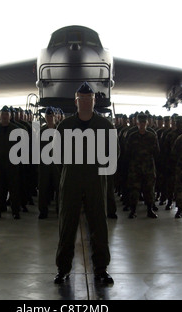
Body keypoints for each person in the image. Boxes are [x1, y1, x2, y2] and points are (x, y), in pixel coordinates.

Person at [53, 82, 117, 284]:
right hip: (71, 180)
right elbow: (56, 156)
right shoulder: (65, 126)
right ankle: (63, 269)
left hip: (95, 181)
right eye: (81, 99)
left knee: (99, 223)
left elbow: (114, 154)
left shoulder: (105, 126)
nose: (85, 102)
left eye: (89, 99)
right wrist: (68, 173)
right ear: (76, 101)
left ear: (94, 101)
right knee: (67, 225)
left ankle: (101, 269)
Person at [0, 106, 22, 219]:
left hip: (13, 164)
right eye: (2, 115)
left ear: (10, 116)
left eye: (6, 115)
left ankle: (15, 211)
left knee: (14, 188)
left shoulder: (16, 130)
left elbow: (22, 147)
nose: (4, 117)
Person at [124, 113, 160, 219]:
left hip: (148, 167)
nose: (142, 125)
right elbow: (127, 152)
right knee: (134, 190)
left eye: (144, 122)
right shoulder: (132, 136)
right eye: (140, 123)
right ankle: (133, 210)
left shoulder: (152, 136)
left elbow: (157, 152)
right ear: (137, 123)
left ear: (147, 123)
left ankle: (150, 209)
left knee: (149, 190)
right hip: (135, 168)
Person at [37, 107, 60, 219]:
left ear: (55, 117)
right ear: (45, 118)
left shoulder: (60, 131)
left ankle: (59, 210)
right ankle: (43, 211)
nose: (50, 118)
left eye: (51, 116)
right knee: (43, 187)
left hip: (57, 164)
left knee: (59, 188)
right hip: (44, 164)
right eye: (48, 116)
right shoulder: (41, 132)